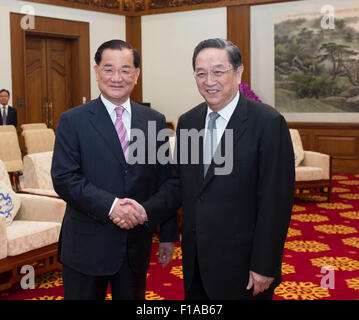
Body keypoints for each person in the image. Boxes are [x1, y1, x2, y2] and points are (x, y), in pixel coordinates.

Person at [115, 38, 295, 300]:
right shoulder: (189, 122)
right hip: (196, 259)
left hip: (244, 265)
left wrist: (264, 265)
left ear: (239, 72)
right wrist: (144, 210)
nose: (209, 80)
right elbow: (179, 184)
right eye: (201, 73)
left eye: (218, 71)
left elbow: (276, 202)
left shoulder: (267, 123)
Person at [51, 39, 178, 300]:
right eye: (108, 69)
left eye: (125, 70)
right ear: (96, 72)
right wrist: (112, 206)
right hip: (86, 248)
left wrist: (167, 235)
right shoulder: (72, 120)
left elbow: (167, 182)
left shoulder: (153, 120)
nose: (116, 77)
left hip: (134, 248)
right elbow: (64, 178)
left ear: (137, 74)